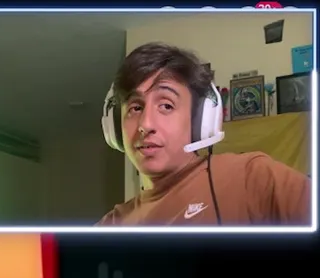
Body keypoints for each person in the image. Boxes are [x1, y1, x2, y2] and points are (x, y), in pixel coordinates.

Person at [97, 42, 311, 227]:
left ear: (199, 119)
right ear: (115, 126)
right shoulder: (113, 224)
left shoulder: (252, 177)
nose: (146, 124)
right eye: (135, 108)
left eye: (166, 106)